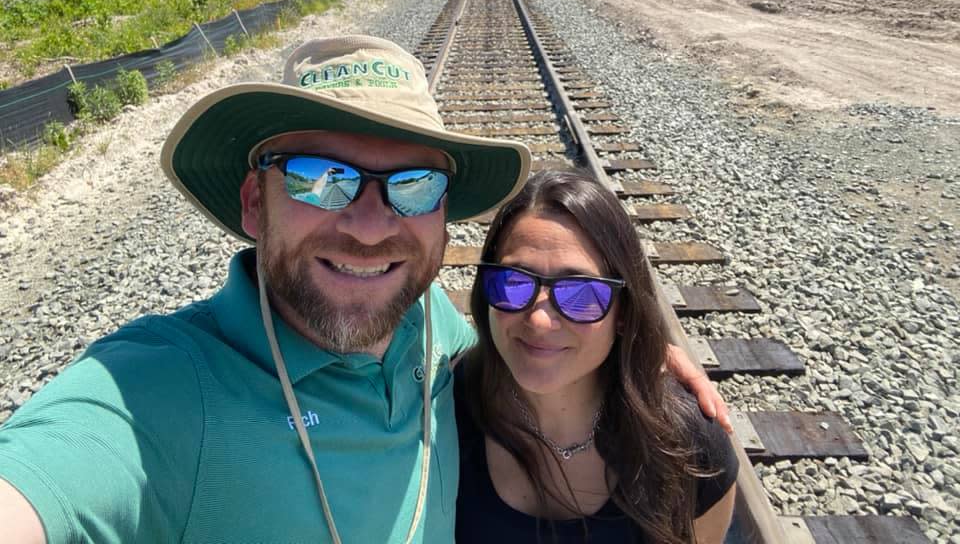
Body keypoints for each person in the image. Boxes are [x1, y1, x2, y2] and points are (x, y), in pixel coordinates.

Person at [0, 35, 729, 543]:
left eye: (414, 187)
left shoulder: (433, 332)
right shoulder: (158, 391)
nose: (373, 229)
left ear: (443, 223)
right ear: (256, 202)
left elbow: (532, 337)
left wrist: (631, 346)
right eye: (325, 179)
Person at [456, 169, 738, 543]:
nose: (540, 320)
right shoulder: (443, 410)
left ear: (623, 312)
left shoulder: (690, 447)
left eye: (581, 293)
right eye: (513, 282)